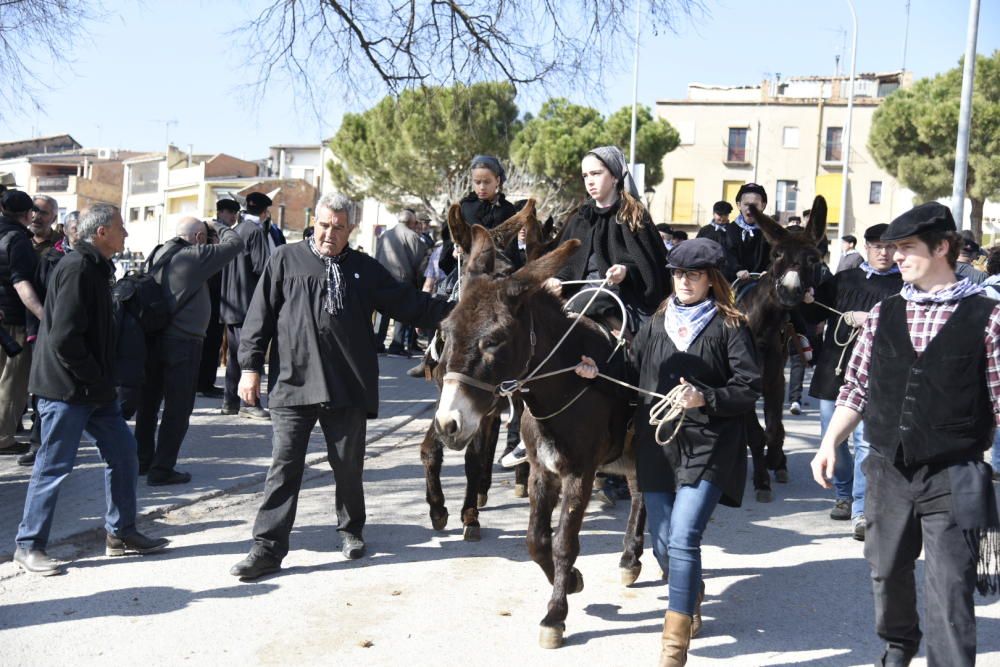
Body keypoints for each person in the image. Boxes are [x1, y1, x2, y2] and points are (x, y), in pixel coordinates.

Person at [811, 202, 1000, 666]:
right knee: (886, 570)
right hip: (887, 468)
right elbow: (856, 386)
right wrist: (828, 441)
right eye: (893, 248)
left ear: (941, 248)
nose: (896, 256)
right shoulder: (882, 314)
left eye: (907, 247)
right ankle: (899, 644)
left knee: (951, 586)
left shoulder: (989, 317)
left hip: (954, 474)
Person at [229, 193, 452, 581]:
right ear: (314, 222)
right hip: (293, 382)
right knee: (284, 467)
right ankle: (267, 546)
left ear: (351, 229)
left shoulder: (364, 268)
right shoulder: (285, 260)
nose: (330, 234)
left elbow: (408, 303)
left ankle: (351, 530)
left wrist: (459, 309)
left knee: (348, 466)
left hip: (346, 382)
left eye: (339, 227)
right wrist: (249, 368)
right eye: (324, 225)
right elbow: (258, 316)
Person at [575, 238, 761, 666]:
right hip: (656, 446)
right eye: (678, 274)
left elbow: (747, 388)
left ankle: (673, 645)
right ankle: (690, 592)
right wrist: (596, 373)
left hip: (709, 445)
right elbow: (630, 372)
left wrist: (706, 398)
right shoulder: (656, 322)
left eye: (694, 274)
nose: (684, 281)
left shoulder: (730, 324)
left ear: (712, 279)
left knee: (683, 536)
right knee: (661, 543)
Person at [15, 205, 168, 575]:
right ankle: (29, 545)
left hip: (93, 389)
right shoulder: (77, 268)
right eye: (120, 228)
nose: (126, 235)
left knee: (124, 454)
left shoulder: (97, 268)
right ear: (101, 232)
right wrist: (95, 378)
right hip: (65, 389)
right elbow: (65, 339)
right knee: (53, 467)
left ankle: (121, 532)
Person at [804, 223, 902, 539]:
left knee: (865, 441)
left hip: (874, 375)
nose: (883, 253)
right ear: (867, 248)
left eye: (889, 247)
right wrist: (804, 300)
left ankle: (861, 509)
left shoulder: (904, 286)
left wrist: (872, 319)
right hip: (833, 370)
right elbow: (811, 314)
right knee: (832, 439)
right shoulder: (844, 279)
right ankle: (843, 493)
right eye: (877, 247)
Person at [134, 216, 244, 485]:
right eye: (206, 238)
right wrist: (217, 225)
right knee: (178, 408)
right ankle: (162, 469)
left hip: (155, 339)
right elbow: (235, 244)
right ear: (198, 238)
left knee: (149, 404)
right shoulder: (193, 256)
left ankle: (142, 460)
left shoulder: (160, 251)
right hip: (182, 343)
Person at [220, 192, 273, 420]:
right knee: (250, 355)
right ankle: (249, 402)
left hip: (229, 303)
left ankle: (230, 401)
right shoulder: (256, 233)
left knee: (234, 355)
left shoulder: (236, 231)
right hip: (247, 304)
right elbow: (263, 268)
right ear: (264, 212)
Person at [0, 190, 44, 456]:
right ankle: (4, 438)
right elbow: (21, 282)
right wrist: (43, 315)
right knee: (12, 382)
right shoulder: (18, 240)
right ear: (28, 214)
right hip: (14, 322)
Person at [197, 199, 240, 398]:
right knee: (207, 340)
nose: (233, 217)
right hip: (207, 293)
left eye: (235, 213)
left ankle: (207, 382)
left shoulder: (227, 233)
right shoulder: (208, 231)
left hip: (221, 294)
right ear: (220, 212)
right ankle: (201, 384)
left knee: (215, 340)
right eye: (230, 212)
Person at [373, 209, 428, 356]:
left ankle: (377, 343)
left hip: (381, 278)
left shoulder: (384, 235)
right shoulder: (412, 237)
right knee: (401, 312)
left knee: (382, 312)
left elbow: (376, 255)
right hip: (403, 279)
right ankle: (396, 346)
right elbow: (419, 262)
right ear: (411, 222)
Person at [730, 183, 772, 281]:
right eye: (746, 204)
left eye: (755, 205)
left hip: (764, 284)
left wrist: (769, 271)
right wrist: (737, 270)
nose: (750, 209)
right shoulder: (729, 231)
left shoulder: (771, 232)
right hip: (735, 285)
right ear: (739, 205)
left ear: (763, 205)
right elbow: (726, 257)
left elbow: (777, 256)